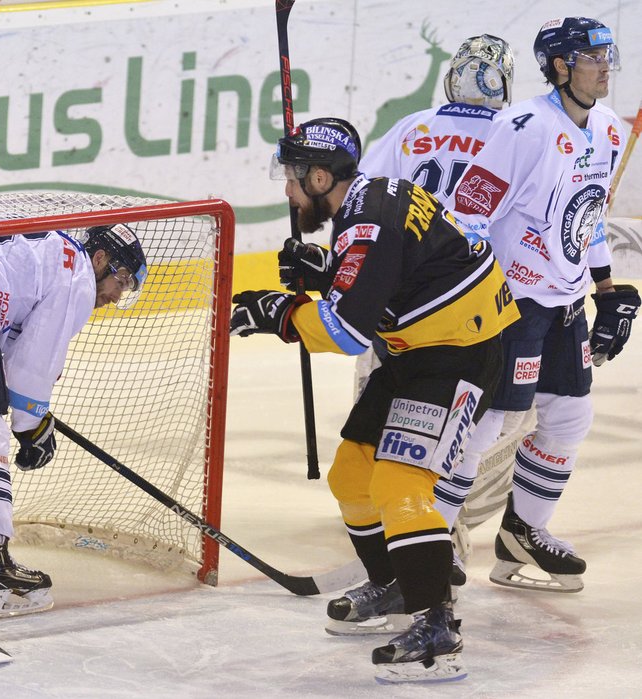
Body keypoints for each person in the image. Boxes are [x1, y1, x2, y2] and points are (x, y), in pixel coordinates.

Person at [231, 117, 519, 683]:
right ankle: (393, 584)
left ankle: (437, 624)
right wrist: (327, 272)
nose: (287, 191)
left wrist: (278, 313)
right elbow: (392, 273)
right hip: (417, 349)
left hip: (460, 353)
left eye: (291, 179)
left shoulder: (367, 222)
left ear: (319, 177)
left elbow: (347, 333)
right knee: (352, 475)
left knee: (400, 485)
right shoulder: (368, 198)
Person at [442, 17, 640, 593]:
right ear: (560, 66)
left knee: (570, 415)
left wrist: (604, 291)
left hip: (565, 301)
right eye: (592, 56)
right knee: (488, 422)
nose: (605, 65)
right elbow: (468, 211)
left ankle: (521, 535)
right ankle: (433, 535)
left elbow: (588, 216)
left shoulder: (604, 128)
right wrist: (474, 295)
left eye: (608, 54)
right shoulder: (522, 127)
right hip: (511, 301)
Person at [345, 34, 516, 582]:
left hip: (395, 302)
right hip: (472, 305)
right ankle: (440, 532)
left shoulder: (413, 127)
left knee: (381, 425)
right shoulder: (513, 134)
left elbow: (360, 195)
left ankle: (397, 524)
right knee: (481, 424)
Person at [0, 223, 148, 617]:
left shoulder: (44, 257)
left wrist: (28, 411)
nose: (116, 295)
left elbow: (6, 356)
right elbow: (32, 367)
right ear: (99, 259)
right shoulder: (75, 271)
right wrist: (33, 426)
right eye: (121, 279)